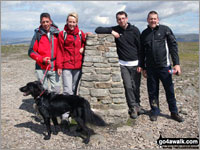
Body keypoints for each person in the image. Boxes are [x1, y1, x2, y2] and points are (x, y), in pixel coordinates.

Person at [95, 11, 144, 119]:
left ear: (127, 18)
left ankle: (137, 105)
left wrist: (141, 64)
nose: (121, 20)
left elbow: (140, 48)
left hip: (136, 64)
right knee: (128, 86)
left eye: (123, 18)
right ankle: (132, 108)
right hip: (123, 64)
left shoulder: (135, 30)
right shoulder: (116, 29)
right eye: (119, 19)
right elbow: (97, 29)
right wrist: (111, 31)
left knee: (136, 86)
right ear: (117, 20)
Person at [138, 11, 184, 122]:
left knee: (169, 90)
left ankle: (174, 112)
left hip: (165, 67)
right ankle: (154, 111)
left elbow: (173, 47)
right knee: (152, 91)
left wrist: (176, 64)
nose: (153, 20)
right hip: (150, 68)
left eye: (155, 18)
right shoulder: (144, 34)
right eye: (151, 19)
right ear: (147, 20)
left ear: (158, 20)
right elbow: (141, 52)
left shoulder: (165, 30)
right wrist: (143, 67)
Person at [28, 12, 61, 93]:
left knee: (56, 91)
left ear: (50, 21)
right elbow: (31, 51)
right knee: (43, 91)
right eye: (43, 22)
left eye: (47, 21)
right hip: (41, 67)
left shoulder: (57, 33)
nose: (45, 24)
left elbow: (62, 49)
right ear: (40, 23)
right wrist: (42, 59)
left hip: (55, 66)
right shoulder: (37, 34)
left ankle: (53, 106)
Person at [56, 12, 86, 96]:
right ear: (66, 21)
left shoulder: (80, 33)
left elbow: (86, 42)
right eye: (70, 22)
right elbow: (59, 50)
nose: (71, 24)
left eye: (73, 22)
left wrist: (83, 47)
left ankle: (73, 108)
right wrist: (59, 66)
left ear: (76, 23)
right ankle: (67, 108)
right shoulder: (62, 34)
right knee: (67, 90)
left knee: (75, 89)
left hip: (78, 66)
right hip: (66, 66)